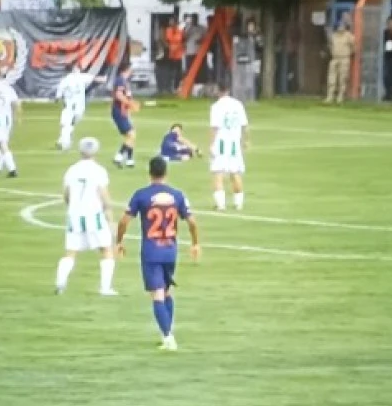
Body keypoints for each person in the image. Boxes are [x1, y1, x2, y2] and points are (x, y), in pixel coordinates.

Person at [116, 156, 201, 351]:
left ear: (149, 172)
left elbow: (124, 221)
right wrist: (195, 243)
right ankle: (167, 334)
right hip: (170, 250)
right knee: (167, 291)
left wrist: (119, 241)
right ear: (166, 172)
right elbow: (192, 221)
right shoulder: (177, 195)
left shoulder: (141, 195)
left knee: (157, 294)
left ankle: (168, 337)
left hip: (151, 251)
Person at [56, 137, 118, 296]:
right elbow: (104, 196)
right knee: (106, 249)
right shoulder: (99, 170)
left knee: (71, 251)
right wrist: (111, 220)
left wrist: (72, 206)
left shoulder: (72, 170)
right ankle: (105, 288)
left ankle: (60, 282)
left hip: (75, 215)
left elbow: (66, 195)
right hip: (94, 215)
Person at [208, 83, 250, 210]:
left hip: (221, 143)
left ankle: (221, 204)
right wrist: (246, 140)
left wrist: (211, 144)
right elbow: (245, 125)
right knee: (235, 172)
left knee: (218, 172)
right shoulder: (238, 104)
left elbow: (215, 127)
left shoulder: (216, 106)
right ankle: (239, 203)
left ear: (218, 91)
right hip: (234, 143)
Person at [54, 63, 103, 150]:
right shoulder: (81, 77)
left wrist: (58, 98)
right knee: (70, 124)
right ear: (74, 69)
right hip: (80, 107)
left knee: (66, 124)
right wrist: (103, 79)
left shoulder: (66, 80)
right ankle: (62, 141)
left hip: (70, 106)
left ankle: (64, 142)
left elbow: (59, 92)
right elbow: (95, 78)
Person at [110, 60, 138, 168]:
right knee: (131, 134)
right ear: (126, 69)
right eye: (131, 69)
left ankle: (129, 160)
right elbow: (118, 95)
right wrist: (129, 103)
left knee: (130, 135)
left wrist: (130, 104)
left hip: (124, 111)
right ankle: (119, 156)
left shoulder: (124, 81)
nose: (132, 71)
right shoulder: (120, 80)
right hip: (119, 111)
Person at [324, 18, 355, 104]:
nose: (341, 27)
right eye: (339, 26)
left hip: (344, 58)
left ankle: (340, 96)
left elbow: (353, 47)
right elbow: (330, 45)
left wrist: (349, 54)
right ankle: (330, 96)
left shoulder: (349, 36)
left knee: (342, 78)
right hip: (334, 58)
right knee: (331, 78)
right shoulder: (334, 36)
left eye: (342, 26)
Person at [183, 14, 207, 96]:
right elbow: (183, 38)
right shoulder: (188, 28)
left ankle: (199, 86)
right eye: (192, 19)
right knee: (189, 69)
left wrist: (201, 40)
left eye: (195, 18)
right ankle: (190, 86)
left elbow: (206, 37)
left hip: (199, 52)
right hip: (190, 52)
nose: (194, 20)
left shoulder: (202, 28)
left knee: (200, 70)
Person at [164, 17, 184, 93]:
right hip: (171, 54)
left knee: (178, 72)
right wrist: (169, 47)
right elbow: (167, 40)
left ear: (175, 23)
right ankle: (169, 87)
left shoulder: (180, 30)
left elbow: (182, 39)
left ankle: (177, 87)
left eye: (172, 22)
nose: (171, 23)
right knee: (171, 71)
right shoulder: (168, 30)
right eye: (170, 22)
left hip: (179, 54)